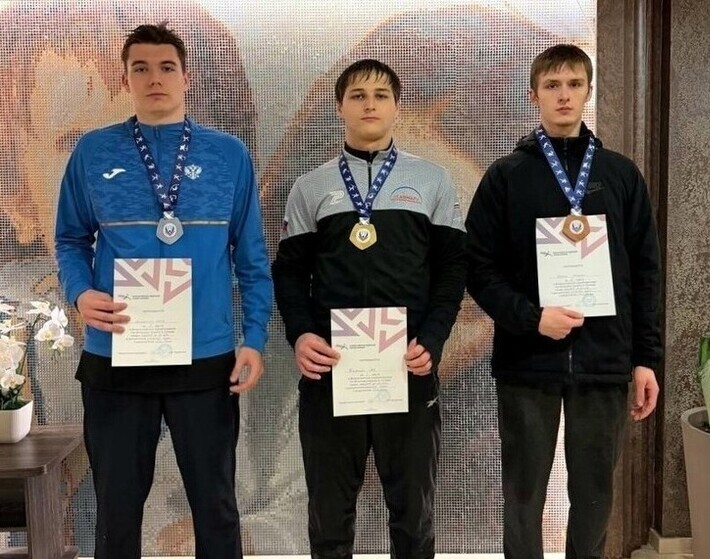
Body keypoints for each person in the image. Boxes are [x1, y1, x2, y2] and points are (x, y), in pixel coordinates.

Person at [54, 22, 272, 559]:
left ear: (186, 78)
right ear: (125, 79)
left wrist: (254, 338)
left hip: (206, 359)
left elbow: (251, 258)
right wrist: (80, 293)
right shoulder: (93, 152)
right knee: (117, 512)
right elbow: (70, 239)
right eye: (141, 68)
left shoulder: (229, 156)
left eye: (167, 67)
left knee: (216, 507)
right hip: (118, 355)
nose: (155, 78)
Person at [465, 44, 661, 559]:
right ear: (534, 95)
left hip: (604, 360)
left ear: (588, 91)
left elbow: (646, 274)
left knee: (594, 495)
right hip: (527, 360)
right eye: (552, 85)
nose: (564, 95)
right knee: (523, 494)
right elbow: (477, 267)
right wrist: (531, 318)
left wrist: (646, 359)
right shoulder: (506, 176)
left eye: (574, 84)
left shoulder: (620, 175)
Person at [272, 59, 466, 559]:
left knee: (414, 515)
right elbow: (289, 274)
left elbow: (451, 272)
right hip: (332, 371)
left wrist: (433, 340)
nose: (370, 104)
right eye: (357, 95)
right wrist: (301, 335)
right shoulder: (310, 187)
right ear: (340, 107)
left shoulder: (432, 180)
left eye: (381, 95)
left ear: (397, 106)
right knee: (329, 515)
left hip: (407, 367)